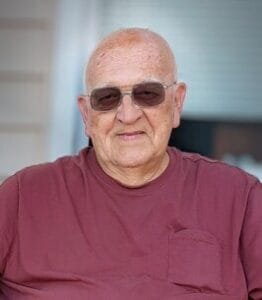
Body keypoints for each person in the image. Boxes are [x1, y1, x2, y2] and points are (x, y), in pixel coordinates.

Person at [0, 28, 261, 300]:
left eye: (147, 93)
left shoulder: (239, 199)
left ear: (176, 103)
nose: (127, 115)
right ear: (86, 114)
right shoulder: (23, 198)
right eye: (107, 98)